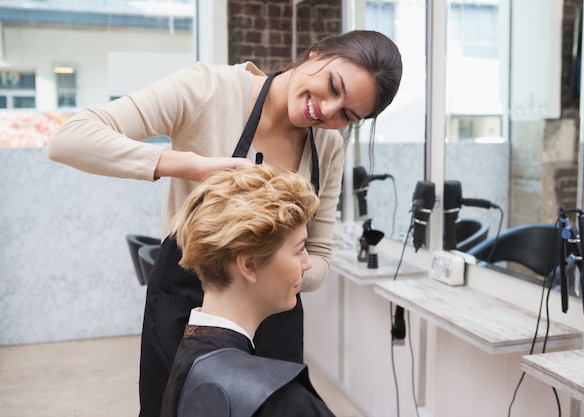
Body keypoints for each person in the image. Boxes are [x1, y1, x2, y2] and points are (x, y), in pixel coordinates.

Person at [47, 29, 402, 417]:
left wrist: (287, 266)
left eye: (347, 115)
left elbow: (320, 256)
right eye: (333, 86)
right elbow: (70, 139)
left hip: (276, 320)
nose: (328, 111)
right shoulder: (208, 90)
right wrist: (194, 166)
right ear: (316, 54)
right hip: (187, 311)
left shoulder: (329, 146)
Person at [159, 163, 334, 417]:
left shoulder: (185, 364)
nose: (307, 263)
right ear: (249, 264)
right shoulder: (284, 402)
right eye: (299, 250)